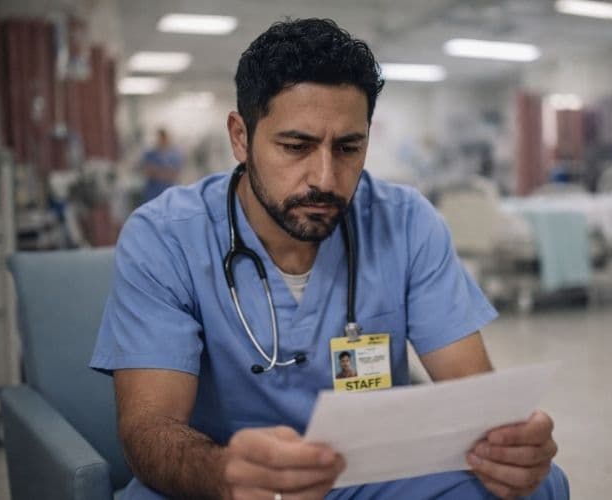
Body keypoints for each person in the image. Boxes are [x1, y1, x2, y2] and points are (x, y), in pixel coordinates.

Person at [91, 18, 569, 500]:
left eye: (347, 148)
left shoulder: (405, 224)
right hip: (226, 478)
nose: (325, 177)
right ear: (240, 136)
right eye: (296, 147)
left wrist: (510, 448)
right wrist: (223, 472)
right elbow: (149, 430)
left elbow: (475, 400)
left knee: (537, 485)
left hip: (369, 476)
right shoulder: (165, 238)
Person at [140, 128, 183, 203]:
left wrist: (158, 171)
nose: (161, 141)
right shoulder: (150, 154)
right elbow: (149, 172)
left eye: (163, 138)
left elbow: (174, 174)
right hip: (153, 193)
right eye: (159, 138)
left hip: (168, 192)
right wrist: (165, 172)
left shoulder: (174, 155)